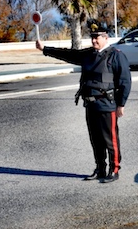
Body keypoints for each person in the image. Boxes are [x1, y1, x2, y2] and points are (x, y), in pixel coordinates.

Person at [36, 22, 132, 183]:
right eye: (92, 37)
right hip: (90, 104)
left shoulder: (116, 55)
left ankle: (114, 169)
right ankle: (100, 168)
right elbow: (69, 54)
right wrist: (45, 49)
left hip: (107, 105)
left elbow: (125, 82)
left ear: (105, 38)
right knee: (95, 140)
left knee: (110, 139)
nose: (94, 41)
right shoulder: (88, 54)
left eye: (97, 38)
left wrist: (121, 104)